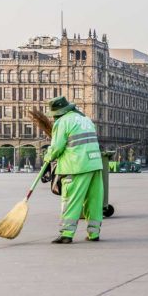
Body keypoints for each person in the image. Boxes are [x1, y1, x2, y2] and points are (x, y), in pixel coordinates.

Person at [43, 96, 104, 243]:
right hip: (95, 164)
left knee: (71, 200)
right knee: (94, 201)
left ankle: (66, 234)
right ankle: (94, 233)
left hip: (76, 166)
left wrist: (47, 158)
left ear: (58, 112)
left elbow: (57, 147)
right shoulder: (85, 119)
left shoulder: (62, 122)